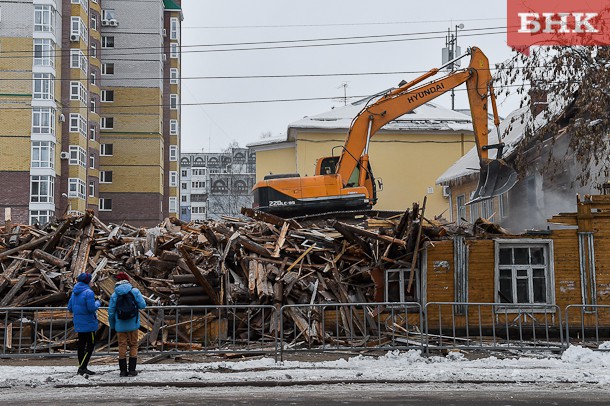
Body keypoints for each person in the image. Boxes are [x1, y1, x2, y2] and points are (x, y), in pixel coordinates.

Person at [108, 272, 146, 377]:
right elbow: (143, 305)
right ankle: (132, 370)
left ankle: (123, 371)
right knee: (133, 345)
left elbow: (111, 312)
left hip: (120, 326)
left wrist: (112, 325)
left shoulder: (114, 295)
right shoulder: (134, 291)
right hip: (133, 324)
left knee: (122, 346)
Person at [67, 272, 100, 376]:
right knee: (90, 345)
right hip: (89, 323)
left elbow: (70, 308)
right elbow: (91, 308)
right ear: (87, 281)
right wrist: (98, 302)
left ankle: (82, 366)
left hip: (78, 322)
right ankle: (82, 367)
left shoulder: (74, 292)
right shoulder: (88, 292)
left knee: (81, 345)